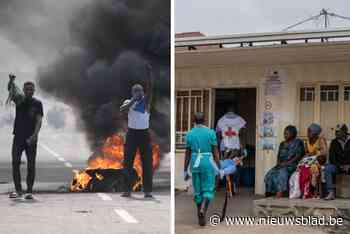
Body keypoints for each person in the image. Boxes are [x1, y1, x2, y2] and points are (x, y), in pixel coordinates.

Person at [7, 73, 43, 200]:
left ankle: (29, 191)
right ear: (23, 90)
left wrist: (35, 135)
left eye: (31, 89)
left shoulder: (37, 103)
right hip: (18, 137)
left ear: (34, 91)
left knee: (31, 165)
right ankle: (18, 190)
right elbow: (10, 89)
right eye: (26, 89)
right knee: (15, 162)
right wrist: (11, 81)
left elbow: (39, 120)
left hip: (31, 139)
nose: (29, 91)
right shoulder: (19, 100)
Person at [120, 65, 154, 198]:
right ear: (132, 93)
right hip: (132, 134)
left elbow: (151, 89)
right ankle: (127, 190)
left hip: (144, 134)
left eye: (140, 91)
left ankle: (148, 191)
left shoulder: (146, 103)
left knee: (147, 163)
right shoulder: (128, 102)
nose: (139, 93)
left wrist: (149, 74)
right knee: (128, 162)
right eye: (136, 91)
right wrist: (134, 99)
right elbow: (122, 109)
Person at [184, 112, 220, 226]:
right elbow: (215, 153)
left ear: (194, 120)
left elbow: (187, 154)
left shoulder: (190, 134)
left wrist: (185, 170)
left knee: (198, 190)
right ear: (204, 120)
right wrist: (219, 167)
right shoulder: (211, 133)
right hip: (207, 161)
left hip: (195, 162)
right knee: (208, 188)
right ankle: (203, 210)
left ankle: (200, 218)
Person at [264, 125, 305, 198]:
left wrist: (286, 163)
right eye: (284, 133)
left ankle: (280, 192)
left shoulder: (298, 142)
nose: (285, 135)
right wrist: (278, 164)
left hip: (293, 165)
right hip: (282, 164)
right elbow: (279, 156)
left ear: (292, 134)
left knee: (282, 172)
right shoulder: (282, 144)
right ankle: (269, 193)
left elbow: (298, 156)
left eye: (287, 133)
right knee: (269, 174)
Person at [298, 123, 327, 199]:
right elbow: (307, 153)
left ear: (315, 133)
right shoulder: (306, 142)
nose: (307, 134)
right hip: (310, 161)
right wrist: (307, 156)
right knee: (302, 168)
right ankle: (305, 191)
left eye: (309, 132)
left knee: (313, 168)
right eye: (308, 131)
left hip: (319, 161)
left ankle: (314, 191)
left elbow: (324, 154)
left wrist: (315, 153)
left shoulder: (321, 140)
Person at [323, 124, 350, 200]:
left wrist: (348, 166)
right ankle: (330, 192)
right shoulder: (334, 142)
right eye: (335, 131)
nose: (336, 133)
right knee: (328, 168)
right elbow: (332, 158)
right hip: (338, 166)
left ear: (344, 131)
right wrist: (340, 166)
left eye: (338, 131)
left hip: (349, 166)